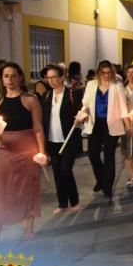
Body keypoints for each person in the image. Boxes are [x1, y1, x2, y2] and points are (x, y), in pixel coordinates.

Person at [0, 62, 46, 241]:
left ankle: (29, 228)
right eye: (6, 76)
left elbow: (38, 127)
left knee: (27, 189)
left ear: (20, 77)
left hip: (27, 151)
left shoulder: (30, 99)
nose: (10, 79)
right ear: (1, 79)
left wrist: (42, 152)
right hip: (5, 151)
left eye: (13, 75)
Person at [81, 60, 129, 198]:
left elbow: (123, 108)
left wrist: (129, 126)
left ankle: (107, 186)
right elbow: (85, 103)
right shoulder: (91, 85)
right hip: (95, 124)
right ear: (99, 73)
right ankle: (101, 179)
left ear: (112, 73)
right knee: (92, 154)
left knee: (109, 156)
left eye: (109, 73)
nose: (106, 76)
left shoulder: (117, 86)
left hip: (111, 125)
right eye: (104, 73)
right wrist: (82, 114)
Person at [42, 64, 83, 214]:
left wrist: (80, 119)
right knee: (57, 173)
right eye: (49, 77)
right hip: (52, 140)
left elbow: (83, 113)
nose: (51, 80)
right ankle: (62, 203)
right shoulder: (46, 96)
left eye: (54, 77)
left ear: (62, 77)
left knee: (65, 171)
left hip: (69, 140)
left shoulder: (73, 94)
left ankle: (74, 201)